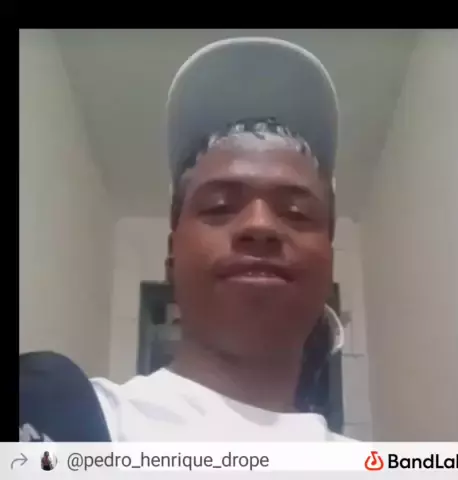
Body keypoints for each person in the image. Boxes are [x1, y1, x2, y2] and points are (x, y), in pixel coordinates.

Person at [92, 37, 352, 442]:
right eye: (219, 207)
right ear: (171, 256)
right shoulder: (73, 422)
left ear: (329, 263)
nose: (260, 225)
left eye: (297, 212)